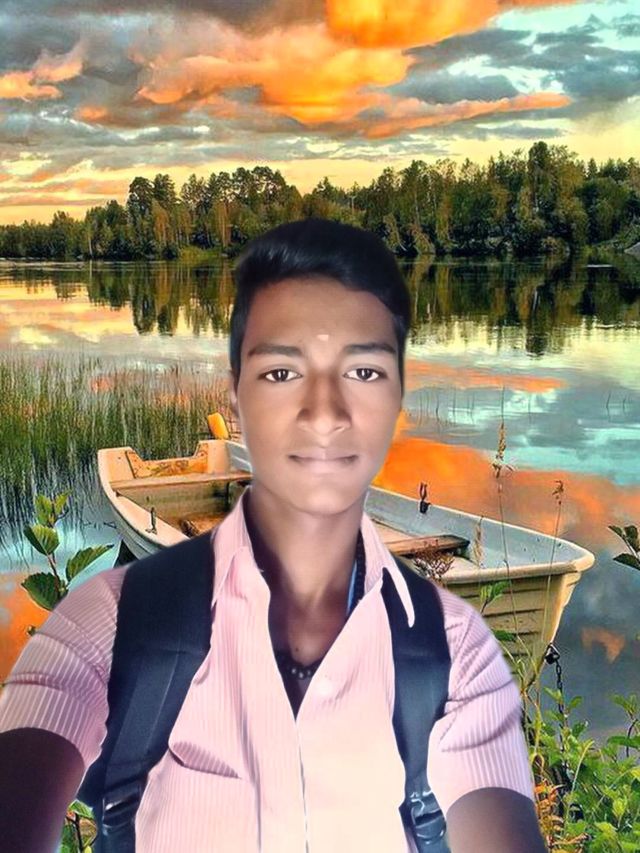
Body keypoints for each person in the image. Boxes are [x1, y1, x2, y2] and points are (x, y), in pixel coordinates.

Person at [0, 218, 546, 852]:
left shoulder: (457, 652)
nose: (324, 413)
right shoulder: (113, 624)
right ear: (237, 394)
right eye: (282, 372)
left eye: (363, 371)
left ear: (397, 397)